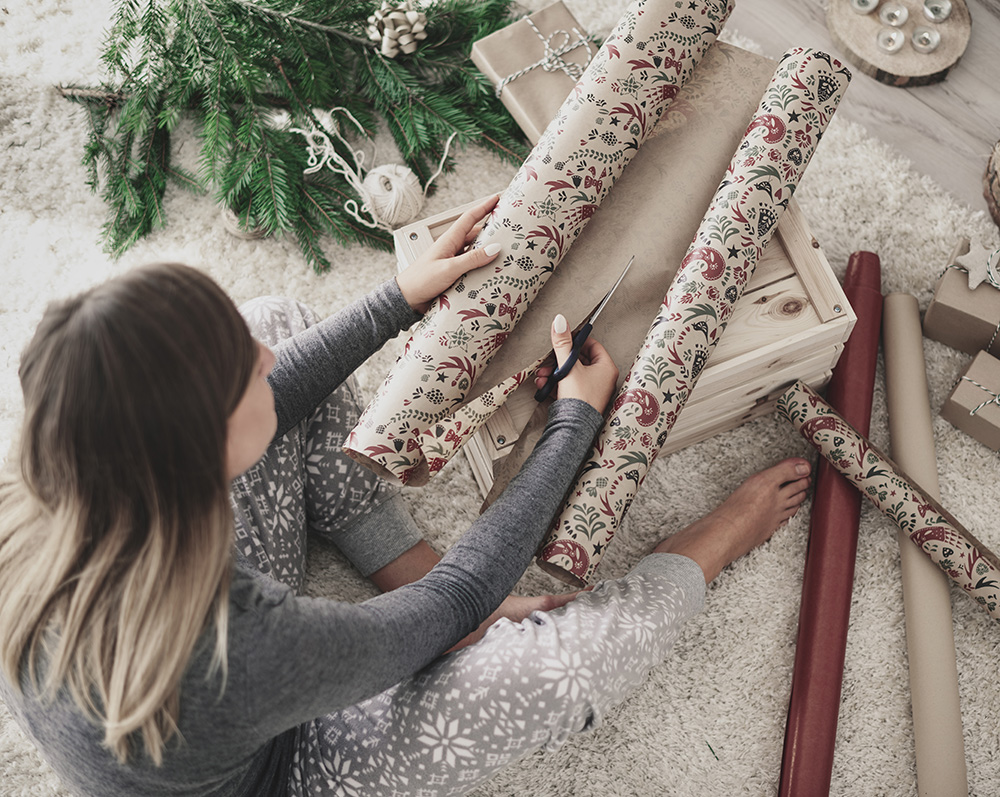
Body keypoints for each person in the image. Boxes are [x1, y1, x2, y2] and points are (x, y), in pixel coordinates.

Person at [0, 194, 810, 797]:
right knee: (554, 669)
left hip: (190, 690)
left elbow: (271, 385)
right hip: (276, 769)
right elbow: (454, 602)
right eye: (243, 374)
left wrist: (401, 298)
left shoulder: (60, 469)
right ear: (195, 452)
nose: (259, 357)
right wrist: (575, 421)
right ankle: (714, 542)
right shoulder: (232, 642)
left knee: (278, 316)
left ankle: (394, 556)